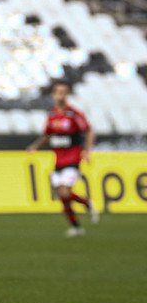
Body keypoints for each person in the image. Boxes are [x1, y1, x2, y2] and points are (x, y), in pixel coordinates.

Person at [28, 80, 98, 236]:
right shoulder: (52, 115)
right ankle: (76, 225)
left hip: (73, 159)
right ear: (54, 94)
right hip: (58, 160)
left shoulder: (74, 114)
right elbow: (47, 135)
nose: (61, 95)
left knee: (65, 192)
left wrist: (87, 150)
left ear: (67, 94)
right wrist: (35, 146)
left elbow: (89, 130)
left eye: (63, 92)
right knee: (62, 196)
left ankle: (86, 206)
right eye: (58, 92)